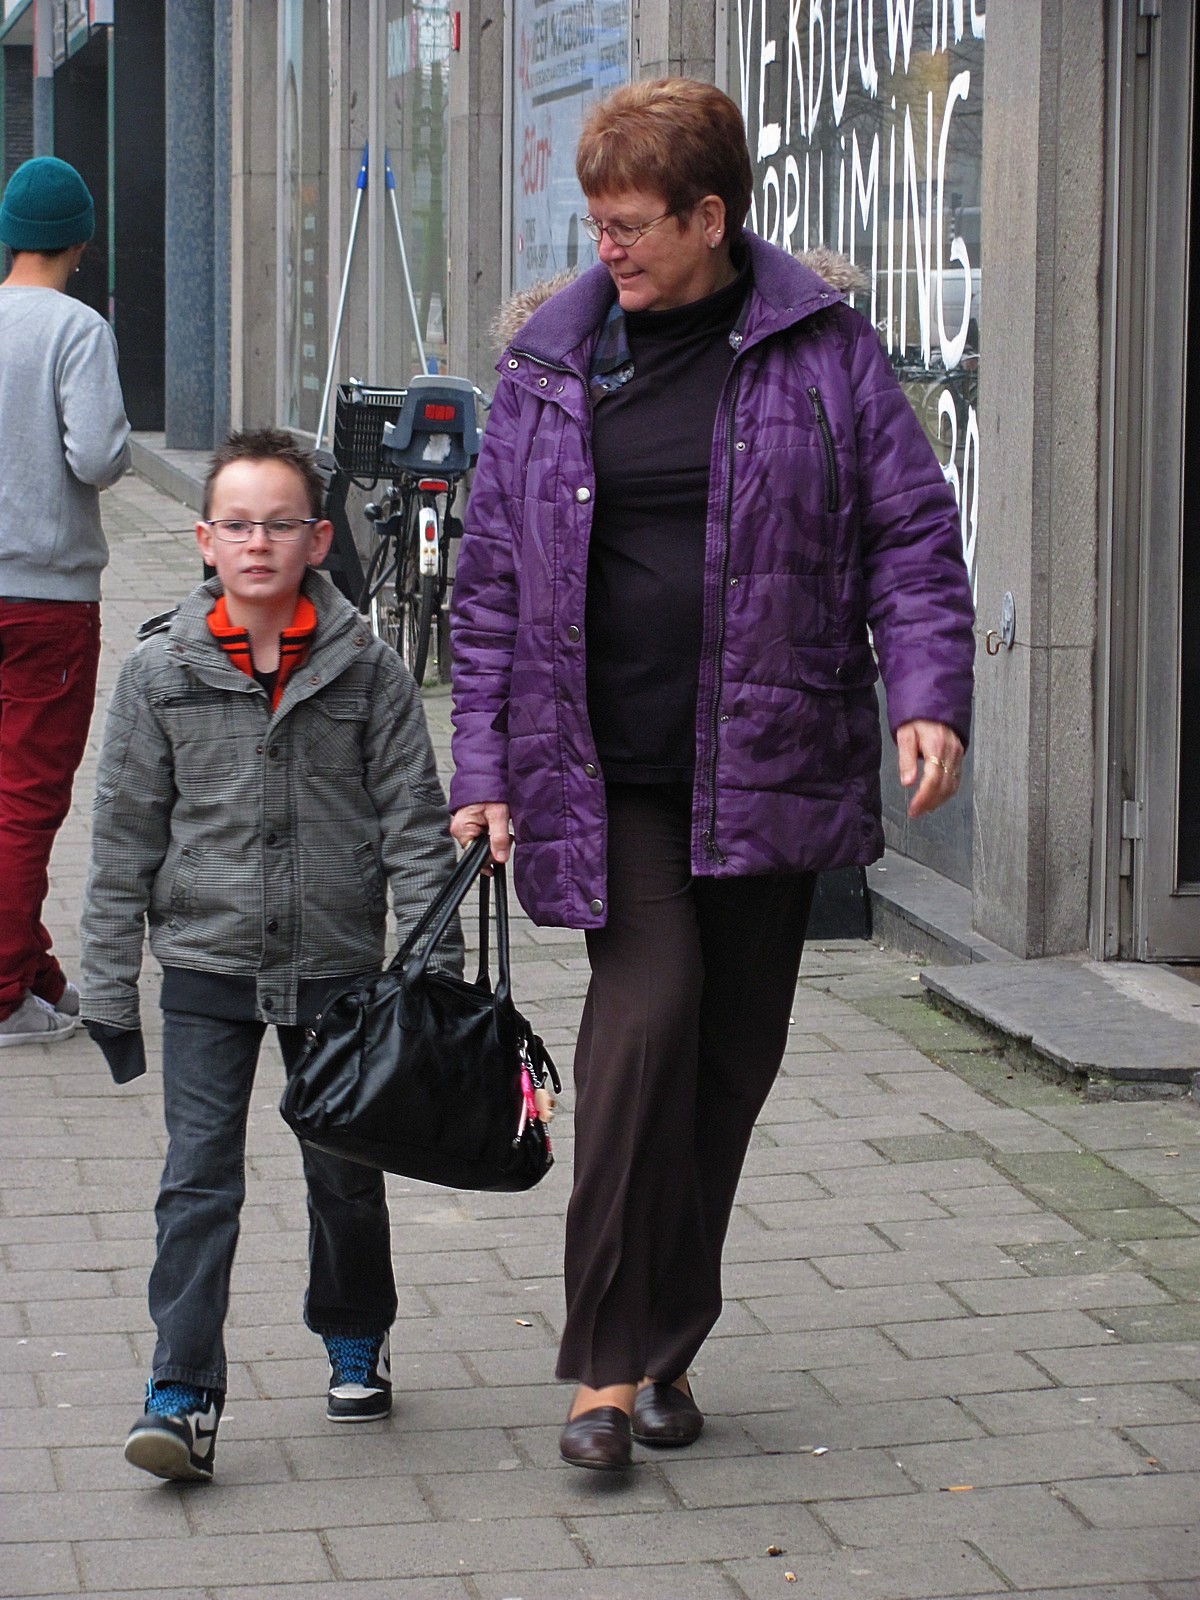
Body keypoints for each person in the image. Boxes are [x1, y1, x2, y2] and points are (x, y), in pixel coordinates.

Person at [448, 78, 975, 1472]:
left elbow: (910, 535)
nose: (607, 248)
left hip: (771, 756)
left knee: (730, 1061)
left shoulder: (823, 351)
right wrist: (482, 761)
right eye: (596, 223)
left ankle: (669, 1340)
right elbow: (491, 581)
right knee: (648, 1020)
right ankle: (605, 1369)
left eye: (631, 224)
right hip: (607, 766)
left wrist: (928, 692)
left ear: (710, 217)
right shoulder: (552, 364)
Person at [80, 429, 461, 1482]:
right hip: (206, 968)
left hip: (339, 971)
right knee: (198, 1180)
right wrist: (108, 985)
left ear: (318, 539)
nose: (258, 543)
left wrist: (433, 975)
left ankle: (356, 1330)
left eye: (279, 524)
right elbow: (122, 839)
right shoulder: (159, 672)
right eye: (237, 525)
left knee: (345, 1169)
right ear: (205, 539)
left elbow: (414, 827)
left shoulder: (369, 670)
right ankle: (181, 1390)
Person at [0, 156, 130, 1047]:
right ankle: (5, 993)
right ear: (80, 241)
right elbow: (99, 456)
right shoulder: (77, 329)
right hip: (46, 598)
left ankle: (32, 968)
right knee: (28, 797)